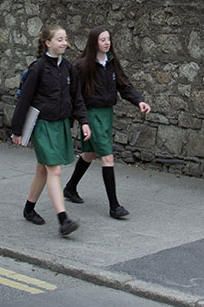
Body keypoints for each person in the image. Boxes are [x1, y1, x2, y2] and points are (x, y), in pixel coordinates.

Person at [11, 24, 91, 237]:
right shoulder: (38, 68)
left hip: (61, 124)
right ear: (48, 43)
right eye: (60, 39)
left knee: (42, 170)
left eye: (65, 39)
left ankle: (29, 209)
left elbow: (77, 98)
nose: (64, 43)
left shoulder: (68, 69)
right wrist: (17, 130)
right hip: (43, 125)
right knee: (54, 170)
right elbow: (24, 99)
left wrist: (84, 121)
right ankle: (63, 219)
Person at [63, 26, 151, 219]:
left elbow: (124, 85)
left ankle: (70, 188)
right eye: (103, 40)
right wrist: (74, 119)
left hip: (107, 114)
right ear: (94, 42)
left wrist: (139, 101)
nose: (106, 42)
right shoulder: (84, 65)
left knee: (90, 153)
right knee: (107, 157)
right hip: (91, 114)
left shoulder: (112, 63)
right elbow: (74, 94)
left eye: (108, 39)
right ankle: (114, 206)